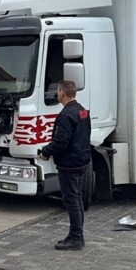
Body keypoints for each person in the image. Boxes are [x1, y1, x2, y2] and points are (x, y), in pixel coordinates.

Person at [38, 80, 91, 251]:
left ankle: (75, 238)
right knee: (77, 198)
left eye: (57, 91)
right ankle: (78, 236)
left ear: (61, 92)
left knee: (71, 200)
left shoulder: (65, 115)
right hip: (81, 160)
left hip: (69, 163)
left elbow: (61, 142)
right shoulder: (82, 110)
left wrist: (45, 152)